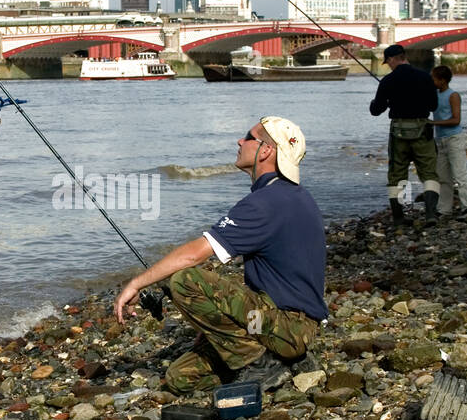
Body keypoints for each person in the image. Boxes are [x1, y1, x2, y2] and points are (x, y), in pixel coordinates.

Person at [114, 116, 327, 395]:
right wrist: (216, 327)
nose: (240, 141)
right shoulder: (293, 196)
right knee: (180, 378)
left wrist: (136, 283)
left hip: (284, 326)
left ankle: (260, 362)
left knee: (185, 280)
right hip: (279, 326)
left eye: (248, 137)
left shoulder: (266, 203)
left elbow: (194, 255)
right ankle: (284, 361)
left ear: (266, 151)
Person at [369, 44, 439, 227]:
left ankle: (399, 217)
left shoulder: (387, 81)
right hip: (422, 130)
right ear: (404, 56)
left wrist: (374, 102)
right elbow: (433, 106)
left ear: (392, 59)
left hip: (398, 131)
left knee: (397, 175)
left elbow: (377, 110)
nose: (388, 65)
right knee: (429, 173)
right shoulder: (425, 77)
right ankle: (431, 214)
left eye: (388, 62)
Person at [431, 64, 467, 218]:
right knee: (443, 177)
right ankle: (444, 209)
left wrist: (433, 123)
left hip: (454, 138)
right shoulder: (435, 94)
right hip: (440, 140)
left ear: (443, 80)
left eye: (434, 78)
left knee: (460, 175)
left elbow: (456, 120)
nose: (432, 81)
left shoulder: (453, 95)